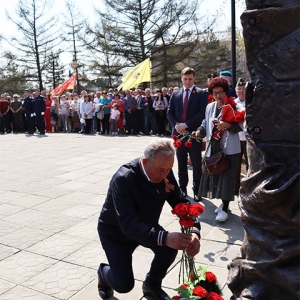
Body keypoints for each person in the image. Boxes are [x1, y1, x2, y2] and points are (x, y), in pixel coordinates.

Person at [97, 138, 201, 300]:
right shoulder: (124, 178)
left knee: (169, 247)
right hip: (116, 233)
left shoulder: (165, 172)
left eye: (168, 169)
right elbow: (128, 224)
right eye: (160, 169)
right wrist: (165, 237)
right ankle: (103, 273)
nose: (165, 174)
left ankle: (152, 285)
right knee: (123, 285)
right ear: (145, 162)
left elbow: (181, 201)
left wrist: (195, 231)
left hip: (146, 225)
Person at [196, 77, 242, 222]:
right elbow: (205, 122)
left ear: (226, 91)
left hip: (230, 148)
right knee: (216, 176)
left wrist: (226, 125)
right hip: (214, 147)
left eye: (221, 92)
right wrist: (200, 131)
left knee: (227, 178)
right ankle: (223, 204)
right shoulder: (210, 107)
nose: (218, 96)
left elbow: (240, 127)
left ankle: (225, 207)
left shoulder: (234, 106)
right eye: (215, 93)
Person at [167, 67, 208, 201]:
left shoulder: (201, 93)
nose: (188, 82)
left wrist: (187, 125)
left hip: (194, 134)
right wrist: (177, 125)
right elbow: (169, 112)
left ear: (194, 78)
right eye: (185, 79)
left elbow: (202, 113)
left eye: (190, 79)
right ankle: (182, 189)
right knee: (181, 163)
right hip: (178, 134)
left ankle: (198, 191)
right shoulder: (176, 93)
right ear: (181, 78)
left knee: (196, 163)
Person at [234, 78, 248, 195]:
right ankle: (236, 189)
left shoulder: (252, 102)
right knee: (236, 164)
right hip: (236, 137)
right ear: (236, 90)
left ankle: (249, 188)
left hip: (249, 138)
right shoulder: (232, 103)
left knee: (250, 164)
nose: (242, 91)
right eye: (239, 89)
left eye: (244, 89)